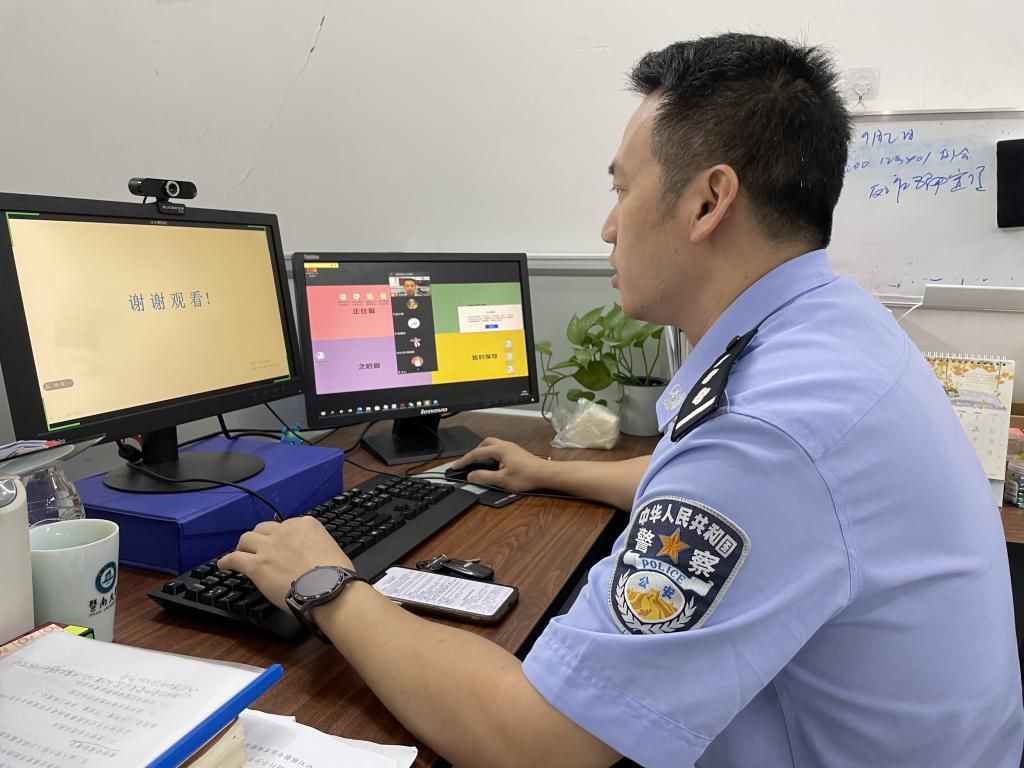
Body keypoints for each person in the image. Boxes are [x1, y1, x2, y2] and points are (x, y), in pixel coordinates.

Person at [220, 33, 1024, 767]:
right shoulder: (833, 326)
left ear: (708, 202)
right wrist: (550, 472)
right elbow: (715, 488)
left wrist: (326, 585)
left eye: (622, 188)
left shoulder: (769, 432)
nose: (608, 228)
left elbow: (535, 743)